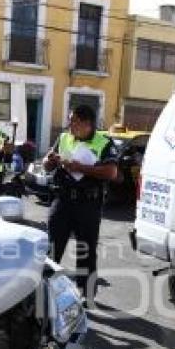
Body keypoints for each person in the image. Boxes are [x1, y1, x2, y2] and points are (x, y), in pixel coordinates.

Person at [44, 104, 118, 305]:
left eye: (74, 120)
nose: (70, 124)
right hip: (63, 200)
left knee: (86, 250)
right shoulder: (64, 137)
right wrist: (50, 161)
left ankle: (87, 293)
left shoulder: (103, 142)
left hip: (88, 204)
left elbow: (111, 172)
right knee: (52, 247)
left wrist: (80, 168)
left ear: (87, 124)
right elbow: (46, 163)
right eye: (70, 120)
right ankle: (46, 288)